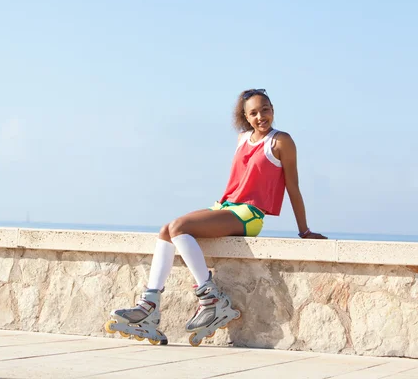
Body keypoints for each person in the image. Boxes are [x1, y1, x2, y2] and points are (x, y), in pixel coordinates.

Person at [104, 88, 327, 346]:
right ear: (245, 117)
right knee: (167, 229)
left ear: (273, 110)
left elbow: (292, 186)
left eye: (265, 110)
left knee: (179, 227)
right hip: (225, 207)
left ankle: (211, 300)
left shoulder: (281, 141)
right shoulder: (243, 139)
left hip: (249, 214)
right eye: (253, 113)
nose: (261, 117)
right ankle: (149, 307)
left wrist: (304, 230)